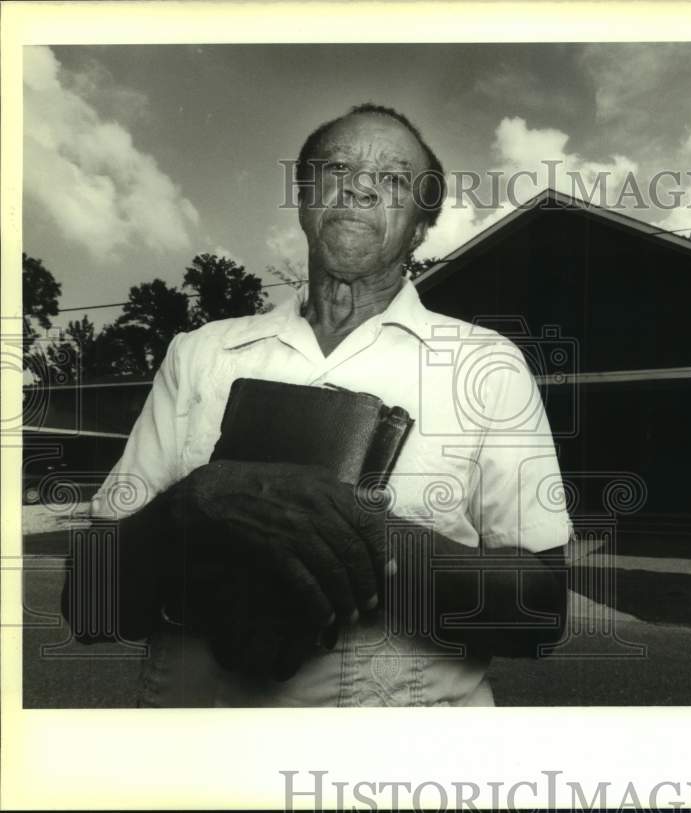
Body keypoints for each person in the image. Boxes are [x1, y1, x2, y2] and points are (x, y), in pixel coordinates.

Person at [63, 103, 573, 707]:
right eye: (338, 168)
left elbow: (539, 613)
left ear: (418, 227)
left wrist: (366, 536)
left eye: (392, 179)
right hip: (195, 761)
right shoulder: (198, 354)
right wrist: (198, 504)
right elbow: (88, 601)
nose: (359, 185)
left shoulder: (486, 365)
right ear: (306, 200)